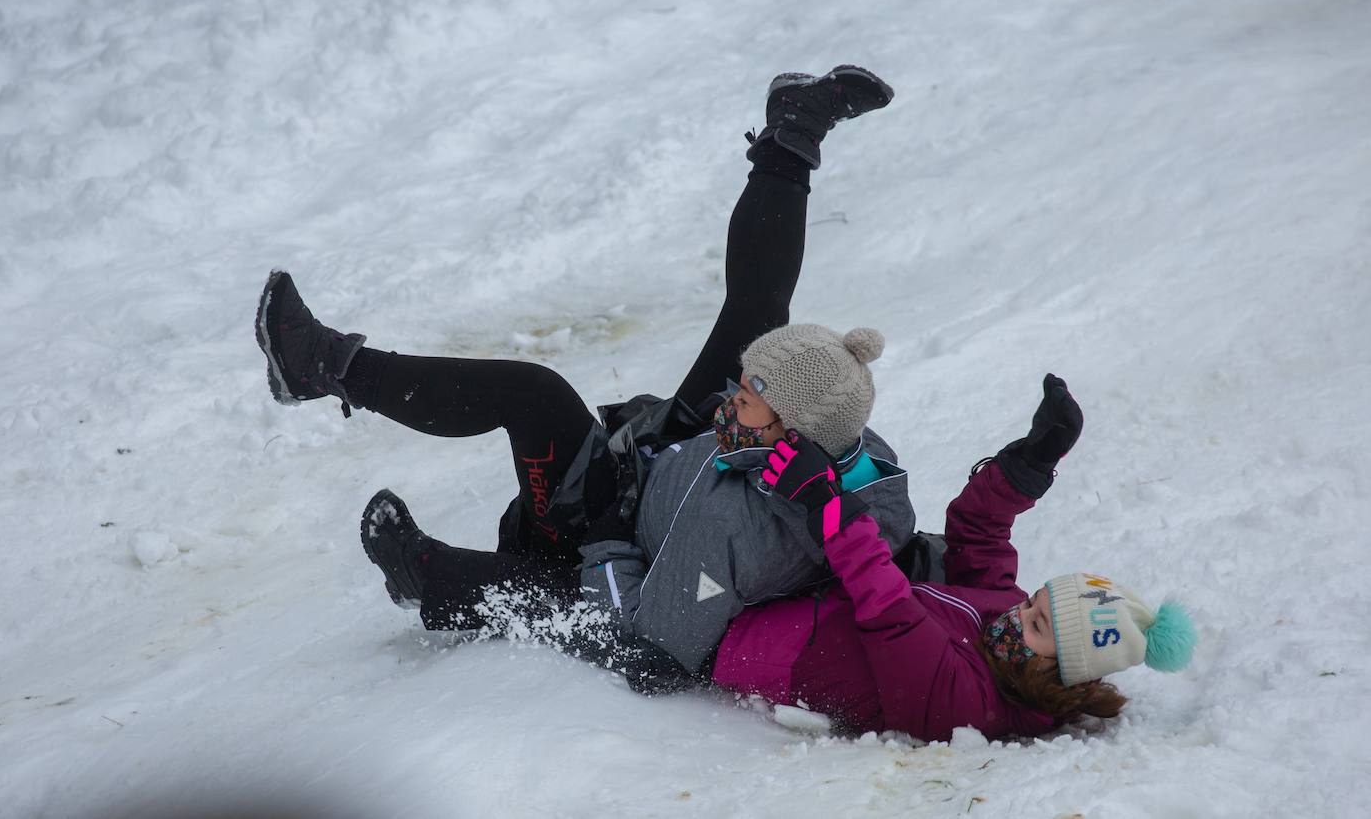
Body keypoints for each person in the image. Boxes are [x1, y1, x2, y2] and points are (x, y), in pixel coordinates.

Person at [256, 66, 933, 685]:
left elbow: (638, 641)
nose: (737, 394)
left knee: (536, 396)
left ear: (789, 431)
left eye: (753, 396)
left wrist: (609, 531)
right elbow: (890, 542)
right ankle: (792, 135)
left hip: (598, 536)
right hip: (665, 469)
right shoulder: (855, 462)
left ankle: (331, 380)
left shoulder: (733, 534)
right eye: (749, 385)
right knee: (756, 317)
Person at [711, 374, 1199, 741]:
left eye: (1037, 626)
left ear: (1063, 672)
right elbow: (980, 533)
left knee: (725, 531)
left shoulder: (971, 705)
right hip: (816, 596)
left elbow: (890, 610)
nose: (1017, 613)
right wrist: (1028, 465)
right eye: (1033, 603)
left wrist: (826, 501)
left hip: (767, 649)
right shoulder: (1006, 625)